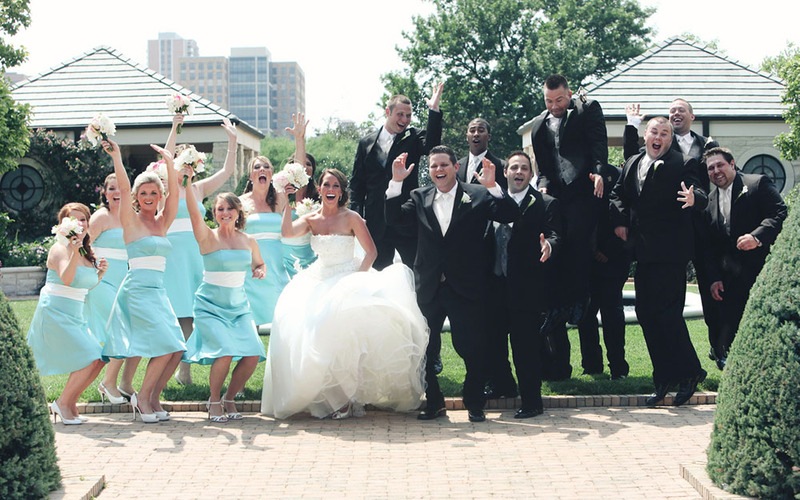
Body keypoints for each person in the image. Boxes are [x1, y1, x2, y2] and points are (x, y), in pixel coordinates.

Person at [261, 168, 428, 419]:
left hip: (350, 277)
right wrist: (285, 203)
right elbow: (286, 234)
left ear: (342, 192)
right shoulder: (311, 219)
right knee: (306, 326)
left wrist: (357, 281)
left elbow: (371, 253)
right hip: (318, 278)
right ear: (319, 189)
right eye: (327, 185)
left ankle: (348, 397)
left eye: (336, 186)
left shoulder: (352, 218)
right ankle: (331, 396)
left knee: (349, 337)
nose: (331, 190)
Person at [385, 145, 518, 422]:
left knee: (471, 346)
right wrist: (396, 183)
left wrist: (493, 186)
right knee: (425, 348)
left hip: (467, 285)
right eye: (434, 166)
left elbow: (509, 215)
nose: (439, 170)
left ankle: (475, 402)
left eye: (444, 164)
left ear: (455, 168)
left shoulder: (477, 194)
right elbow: (394, 220)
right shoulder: (419, 196)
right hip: (429, 285)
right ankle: (434, 402)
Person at [609, 117, 708, 407]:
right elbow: (619, 195)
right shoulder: (632, 162)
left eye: (665, 134)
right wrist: (619, 221)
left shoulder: (683, 163)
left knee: (667, 314)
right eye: (654, 131)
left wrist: (694, 199)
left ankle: (690, 372)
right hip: (644, 253)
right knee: (646, 313)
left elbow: (699, 191)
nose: (659, 137)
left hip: (671, 253)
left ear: (669, 140)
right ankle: (663, 377)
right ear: (645, 134)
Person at [529, 74, 608, 381]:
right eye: (549, 102)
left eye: (559, 100)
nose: (555, 106)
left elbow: (598, 143)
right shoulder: (538, 126)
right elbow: (545, 168)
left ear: (569, 95)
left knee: (577, 241)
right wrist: (544, 188)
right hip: (557, 196)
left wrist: (600, 172)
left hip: (585, 189)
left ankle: (579, 301)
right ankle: (559, 307)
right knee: (554, 246)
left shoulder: (587, 110)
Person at [101, 139, 186, 423]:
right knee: (165, 347)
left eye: (154, 192)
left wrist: (170, 165)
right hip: (137, 290)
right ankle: (143, 400)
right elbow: (123, 188)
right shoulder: (131, 220)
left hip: (158, 291)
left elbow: (176, 195)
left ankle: (153, 398)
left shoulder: (163, 222)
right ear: (137, 197)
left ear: (160, 195)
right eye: (143, 193)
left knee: (176, 349)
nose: (149, 196)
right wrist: (116, 156)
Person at [181, 170, 267, 422]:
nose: (225, 212)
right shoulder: (207, 236)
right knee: (226, 351)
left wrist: (260, 270)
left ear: (238, 212)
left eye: (230, 208)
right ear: (214, 213)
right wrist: (186, 183)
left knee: (252, 354)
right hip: (209, 306)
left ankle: (229, 397)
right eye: (220, 208)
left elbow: (259, 264)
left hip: (238, 307)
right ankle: (214, 400)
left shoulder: (248, 240)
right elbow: (193, 211)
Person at [486, 151, 562, 418]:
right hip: (494, 285)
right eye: (514, 168)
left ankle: (532, 401)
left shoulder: (545, 202)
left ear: (531, 174)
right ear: (504, 172)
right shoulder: (491, 199)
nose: (519, 172)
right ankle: (503, 386)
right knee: (493, 343)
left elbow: (556, 234)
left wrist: (549, 246)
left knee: (525, 347)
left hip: (526, 288)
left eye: (524, 168)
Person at [166, 116, 238, 385]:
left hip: (199, 254)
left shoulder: (198, 189)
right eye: (182, 163)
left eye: (190, 163)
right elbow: (166, 158)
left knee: (200, 311)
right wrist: (175, 126)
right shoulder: (166, 188)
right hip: (174, 257)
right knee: (182, 312)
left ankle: (206, 364)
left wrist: (232, 141)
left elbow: (227, 173)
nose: (186, 167)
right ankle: (183, 372)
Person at [701, 147, 787, 369]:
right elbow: (710, 246)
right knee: (733, 325)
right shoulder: (710, 201)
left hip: (762, 272)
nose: (716, 171)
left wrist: (757, 237)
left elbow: (780, 213)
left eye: (720, 165)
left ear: (731, 164)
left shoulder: (757, 183)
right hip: (730, 279)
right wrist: (714, 279)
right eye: (711, 168)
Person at [27, 203, 108, 424]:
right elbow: (67, 279)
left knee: (100, 358)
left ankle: (69, 402)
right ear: (63, 224)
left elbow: (83, 286)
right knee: (92, 355)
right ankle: (63, 403)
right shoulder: (60, 249)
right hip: (56, 313)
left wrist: (99, 274)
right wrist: (73, 250)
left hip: (75, 315)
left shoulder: (84, 251)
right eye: (73, 219)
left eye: (83, 219)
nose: (79, 223)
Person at [350, 83, 444, 270]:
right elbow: (357, 184)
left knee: (416, 270)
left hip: (405, 217)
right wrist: (357, 217)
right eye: (400, 114)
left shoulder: (414, 137)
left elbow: (432, 145)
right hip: (376, 221)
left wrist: (434, 111)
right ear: (388, 111)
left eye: (408, 115)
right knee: (378, 275)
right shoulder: (366, 142)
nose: (405, 120)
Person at [576, 163, 633, 379]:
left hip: (612, 260)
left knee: (612, 315)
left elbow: (622, 213)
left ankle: (618, 367)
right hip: (586, 261)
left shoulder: (614, 175)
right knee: (585, 315)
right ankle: (591, 365)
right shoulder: (574, 176)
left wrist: (606, 250)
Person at [87, 174, 139, 404]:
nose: (116, 192)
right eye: (111, 188)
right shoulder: (101, 217)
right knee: (121, 328)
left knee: (134, 332)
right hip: (102, 282)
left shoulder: (133, 218)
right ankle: (108, 383)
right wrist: (95, 261)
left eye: (121, 188)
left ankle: (124, 383)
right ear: (105, 194)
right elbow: (81, 244)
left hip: (124, 282)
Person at [240, 155, 291, 327]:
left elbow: (297, 170)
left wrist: (299, 139)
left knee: (283, 314)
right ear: (250, 175)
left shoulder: (280, 199)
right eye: (256, 167)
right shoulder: (240, 202)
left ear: (271, 174)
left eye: (266, 166)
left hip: (276, 264)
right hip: (251, 264)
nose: (262, 169)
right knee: (250, 316)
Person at [282, 113, 319, 277]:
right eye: (304, 165)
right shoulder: (283, 191)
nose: (306, 168)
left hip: (309, 255)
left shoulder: (319, 194)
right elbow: (299, 169)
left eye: (309, 164)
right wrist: (299, 139)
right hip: (284, 257)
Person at [456, 118, 507, 190]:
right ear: (467, 137)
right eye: (472, 131)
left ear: (489, 137)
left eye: (481, 131)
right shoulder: (457, 166)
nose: (476, 134)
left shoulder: (501, 166)